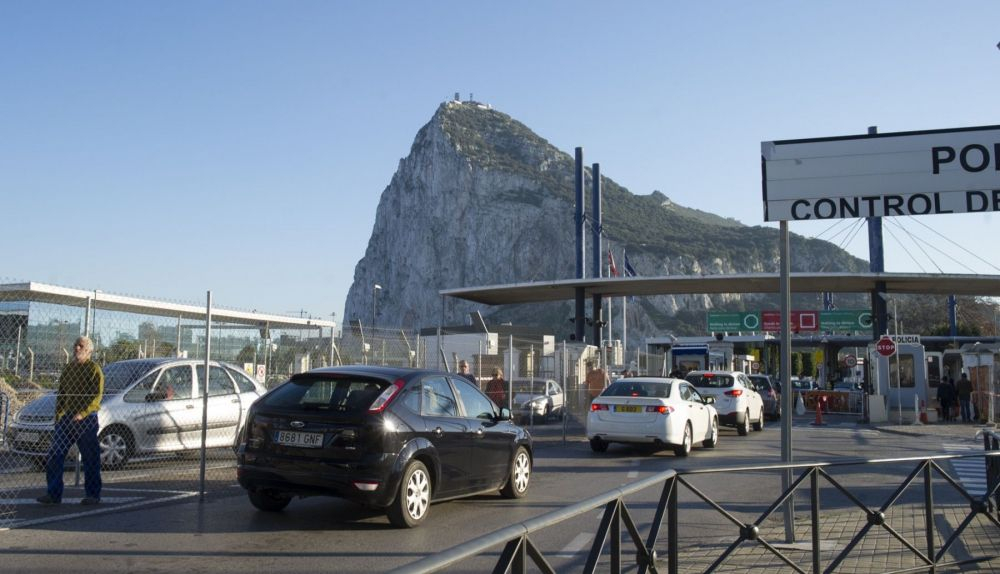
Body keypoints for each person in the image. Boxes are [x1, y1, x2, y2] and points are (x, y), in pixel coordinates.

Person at [37, 336, 104, 505]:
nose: (77, 348)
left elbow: (97, 396)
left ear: (89, 350)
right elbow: (62, 394)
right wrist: (58, 415)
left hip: (86, 420)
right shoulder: (68, 369)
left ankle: (93, 495)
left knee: (90, 457)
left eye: (81, 346)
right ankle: (53, 494)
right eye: (76, 345)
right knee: (55, 454)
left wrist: (83, 413)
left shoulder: (94, 369)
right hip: (66, 419)